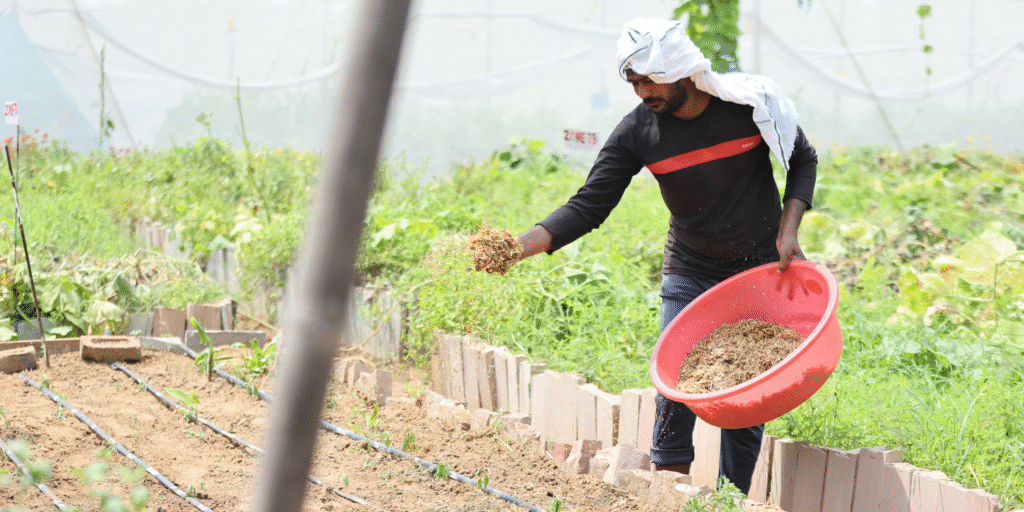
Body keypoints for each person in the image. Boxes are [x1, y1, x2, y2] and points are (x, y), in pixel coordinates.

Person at [512, 19, 818, 494]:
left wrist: (788, 230)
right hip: (691, 269)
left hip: (757, 268)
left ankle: (729, 499)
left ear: (678, 70)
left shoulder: (746, 109)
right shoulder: (638, 132)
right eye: (632, 82)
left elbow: (803, 158)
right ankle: (668, 493)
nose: (641, 92)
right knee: (674, 385)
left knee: (745, 391)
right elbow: (590, 204)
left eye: (648, 79)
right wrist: (518, 248)